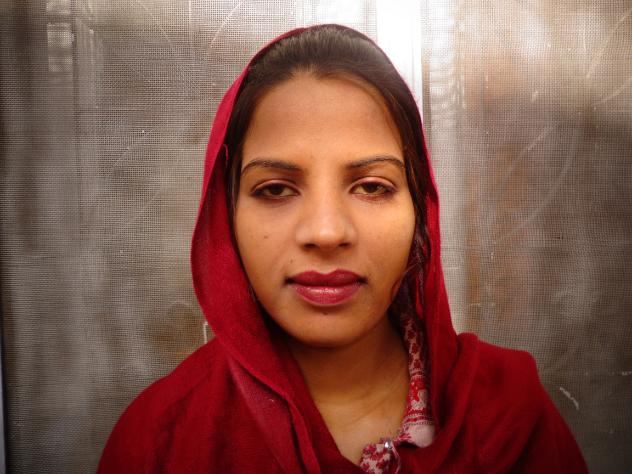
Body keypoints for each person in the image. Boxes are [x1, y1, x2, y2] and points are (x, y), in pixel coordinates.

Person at [98, 24, 587, 473]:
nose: (327, 232)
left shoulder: (507, 417)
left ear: (420, 210)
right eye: (275, 189)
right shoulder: (161, 443)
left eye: (372, 186)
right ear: (226, 217)